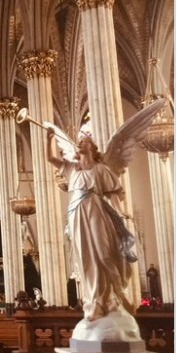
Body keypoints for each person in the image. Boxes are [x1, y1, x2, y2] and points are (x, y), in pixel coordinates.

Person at [47, 128, 136, 322]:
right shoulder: (71, 168)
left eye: (84, 140)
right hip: (77, 213)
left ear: (92, 147)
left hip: (95, 210)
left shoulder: (101, 169)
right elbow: (51, 159)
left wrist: (120, 212)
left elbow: (113, 193)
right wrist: (50, 138)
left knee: (104, 253)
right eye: (78, 141)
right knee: (86, 258)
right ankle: (95, 301)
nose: (80, 142)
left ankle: (119, 293)